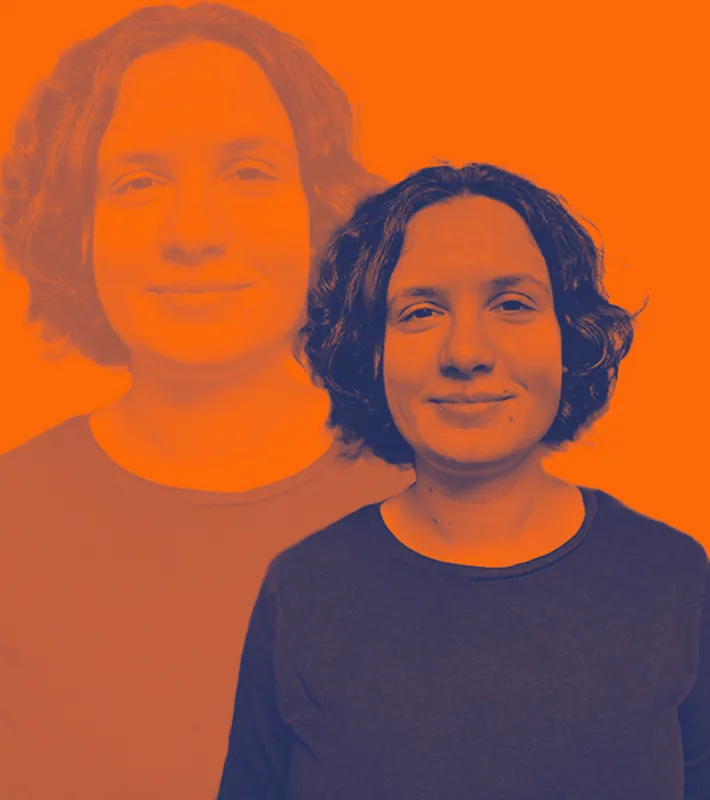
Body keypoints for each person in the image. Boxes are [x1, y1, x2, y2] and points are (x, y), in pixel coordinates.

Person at [0, 4, 412, 798]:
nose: (193, 232)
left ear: (318, 212)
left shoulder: (438, 505)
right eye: (139, 181)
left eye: (248, 173)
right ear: (75, 228)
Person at [217, 162, 710, 799]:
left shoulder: (672, 574)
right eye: (421, 312)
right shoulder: (304, 587)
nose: (466, 352)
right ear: (373, 350)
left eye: (512, 304)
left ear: (568, 335)